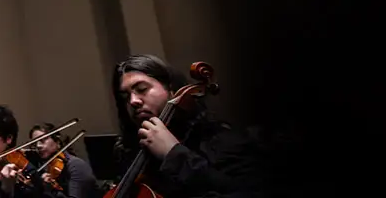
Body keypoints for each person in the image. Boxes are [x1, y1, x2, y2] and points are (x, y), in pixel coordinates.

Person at [108, 55, 268, 197]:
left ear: (171, 90)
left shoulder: (222, 141)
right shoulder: (130, 153)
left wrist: (173, 153)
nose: (133, 101)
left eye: (142, 89)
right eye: (125, 96)